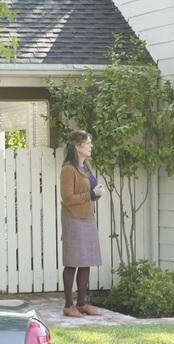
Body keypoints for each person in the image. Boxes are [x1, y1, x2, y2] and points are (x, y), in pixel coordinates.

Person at [60, 130, 105, 317]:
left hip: (87, 217)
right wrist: (92, 194)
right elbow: (68, 198)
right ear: (78, 146)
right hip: (73, 219)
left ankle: (81, 304)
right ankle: (68, 305)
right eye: (88, 143)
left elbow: (91, 193)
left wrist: (97, 192)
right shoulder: (68, 170)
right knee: (73, 262)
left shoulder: (85, 168)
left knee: (86, 261)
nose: (91, 146)